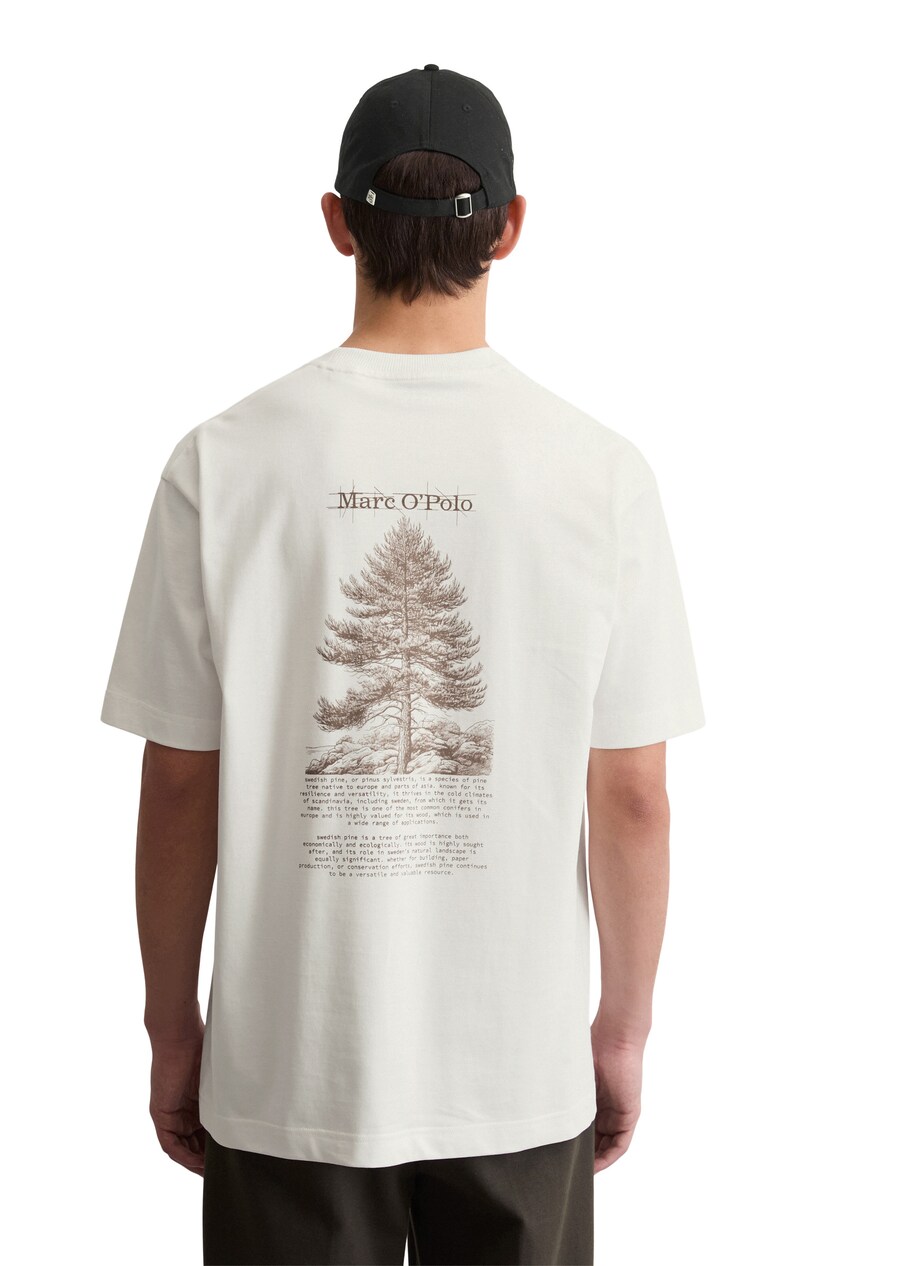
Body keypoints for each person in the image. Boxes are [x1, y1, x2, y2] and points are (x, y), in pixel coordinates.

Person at [100, 64, 705, 1266]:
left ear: (338, 223)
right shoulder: (599, 474)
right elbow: (633, 794)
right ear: (511, 228)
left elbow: (178, 780)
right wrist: (622, 1031)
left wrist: (173, 1029)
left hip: (291, 1073)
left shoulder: (224, 462)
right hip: (517, 1074)